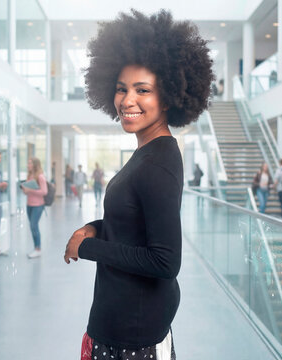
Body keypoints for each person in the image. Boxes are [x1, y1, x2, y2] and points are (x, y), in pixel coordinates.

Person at [63, 10, 213, 360]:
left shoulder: (158, 163)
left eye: (142, 90)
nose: (127, 101)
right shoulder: (148, 152)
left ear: (169, 96)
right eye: (121, 89)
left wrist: (85, 248)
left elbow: (164, 261)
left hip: (133, 336)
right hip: (123, 322)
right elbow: (133, 223)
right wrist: (93, 229)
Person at [21, 157, 48, 258]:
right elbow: (27, 191)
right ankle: (36, 247)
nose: (28, 165)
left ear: (35, 165)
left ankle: (38, 249)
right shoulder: (29, 176)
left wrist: (30, 190)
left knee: (34, 226)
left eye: (30, 163)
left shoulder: (40, 177)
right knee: (32, 227)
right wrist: (25, 190)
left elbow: (44, 192)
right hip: (29, 205)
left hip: (38, 205)